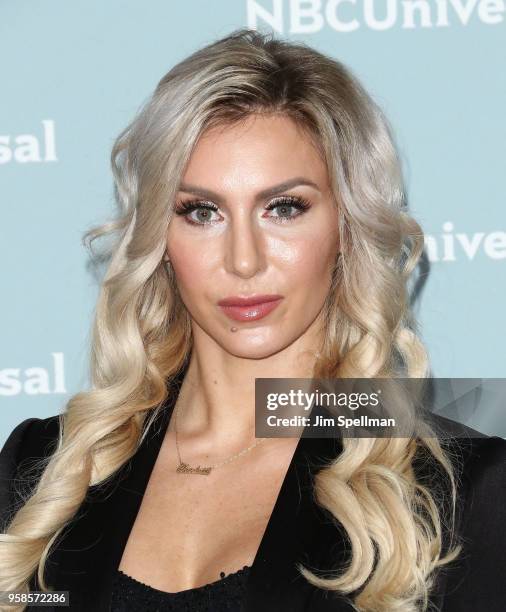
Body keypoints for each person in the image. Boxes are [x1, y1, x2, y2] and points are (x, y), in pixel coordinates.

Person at [0, 28, 505, 612]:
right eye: (201, 211)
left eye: (284, 208)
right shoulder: (43, 472)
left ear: (347, 226)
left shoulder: (457, 492)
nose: (245, 260)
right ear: (159, 238)